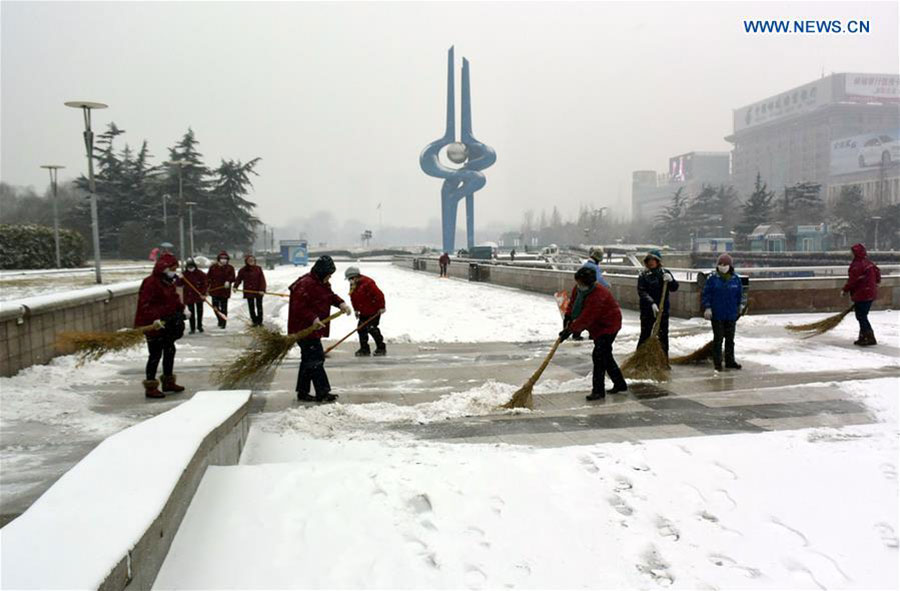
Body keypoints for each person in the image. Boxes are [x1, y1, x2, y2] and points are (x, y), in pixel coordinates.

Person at [288, 256, 352, 403]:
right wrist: (313, 318)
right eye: (329, 273)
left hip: (313, 328)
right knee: (316, 359)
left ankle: (303, 392)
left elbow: (329, 296)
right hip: (303, 328)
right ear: (322, 271)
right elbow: (299, 307)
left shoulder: (321, 282)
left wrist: (341, 303)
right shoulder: (306, 283)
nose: (330, 277)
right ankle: (322, 392)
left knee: (308, 360)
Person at [559, 266, 627, 400]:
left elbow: (587, 317)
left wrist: (569, 330)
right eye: (577, 281)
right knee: (605, 355)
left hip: (608, 326)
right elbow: (573, 303)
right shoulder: (578, 288)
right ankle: (620, 384)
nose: (578, 285)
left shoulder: (599, 294)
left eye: (581, 282)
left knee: (599, 356)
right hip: (596, 326)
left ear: (589, 283)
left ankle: (598, 391)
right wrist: (568, 317)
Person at [134, 253, 186, 399]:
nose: (174, 272)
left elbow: (173, 299)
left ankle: (168, 382)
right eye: (172, 268)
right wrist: (154, 319)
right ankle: (150, 386)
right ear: (164, 268)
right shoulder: (151, 283)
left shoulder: (168, 282)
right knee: (155, 354)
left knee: (170, 351)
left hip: (167, 324)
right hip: (154, 326)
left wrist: (182, 309)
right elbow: (145, 304)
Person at [701, 253, 745, 371]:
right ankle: (718, 363)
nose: (722, 266)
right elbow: (706, 294)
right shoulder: (712, 279)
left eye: (725, 264)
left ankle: (730, 361)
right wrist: (707, 307)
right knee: (718, 339)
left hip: (731, 314)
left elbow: (740, 294)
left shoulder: (736, 279)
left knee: (730, 340)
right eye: (720, 264)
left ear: (730, 266)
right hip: (717, 314)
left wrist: (740, 305)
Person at [637, 249, 679, 359]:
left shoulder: (665, 273)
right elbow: (642, 291)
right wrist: (651, 303)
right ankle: (640, 359)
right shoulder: (643, 275)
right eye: (648, 260)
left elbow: (674, 288)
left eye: (653, 260)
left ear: (658, 261)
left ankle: (663, 360)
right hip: (647, 310)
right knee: (645, 334)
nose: (651, 262)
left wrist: (671, 281)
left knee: (663, 336)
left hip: (662, 310)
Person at [842, 243, 881, 346]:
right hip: (870, 293)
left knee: (861, 316)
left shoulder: (857, 265)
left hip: (862, 294)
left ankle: (868, 337)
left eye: (852, 252)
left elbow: (852, 281)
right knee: (862, 315)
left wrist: (845, 290)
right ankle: (864, 336)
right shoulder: (869, 263)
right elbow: (878, 276)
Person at [345, 266, 387, 356]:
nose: (350, 281)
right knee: (361, 329)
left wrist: (382, 307)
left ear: (356, 276)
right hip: (363, 311)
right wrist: (356, 309)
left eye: (351, 278)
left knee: (372, 329)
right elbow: (353, 298)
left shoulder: (368, 283)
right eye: (349, 279)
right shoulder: (353, 285)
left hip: (374, 311)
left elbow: (379, 295)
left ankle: (381, 348)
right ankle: (364, 349)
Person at [234, 254, 267, 327]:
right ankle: (254, 321)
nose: (251, 261)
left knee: (259, 306)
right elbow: (238, 279)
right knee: (251, 306)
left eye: (253, 260)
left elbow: (262, 280)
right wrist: (235, 286)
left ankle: (260, 321)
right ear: (246, 261)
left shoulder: (258, 269)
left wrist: (262, 289)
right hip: (249, 291)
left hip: (258, 291)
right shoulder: (243, 270)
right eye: (249, 260)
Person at [207, 251, 235, 329]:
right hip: (214, 290)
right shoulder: (213, 267)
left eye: (225, 258)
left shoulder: (230, 268)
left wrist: (228, 281)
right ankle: (220, 319)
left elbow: (233, 277)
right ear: (219, 259)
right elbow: (208, 278)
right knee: (215, 307)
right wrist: (207, 287)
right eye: (222, 258)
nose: (223, 260)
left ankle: (223, 323)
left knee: (224, 307)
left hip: (224, 291)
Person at [179, 257, 208, 334]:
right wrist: (179, 278)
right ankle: (192, 328)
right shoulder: (184, 274)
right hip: (189, 296)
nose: (190, 268)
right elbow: (178, 284)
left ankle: (199, 326)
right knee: (191, 313)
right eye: (189, 267)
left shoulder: (200, 274)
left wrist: (203, 293)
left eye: (192, 267)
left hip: (199, 295)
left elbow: (205, 284)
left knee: (199, 312)